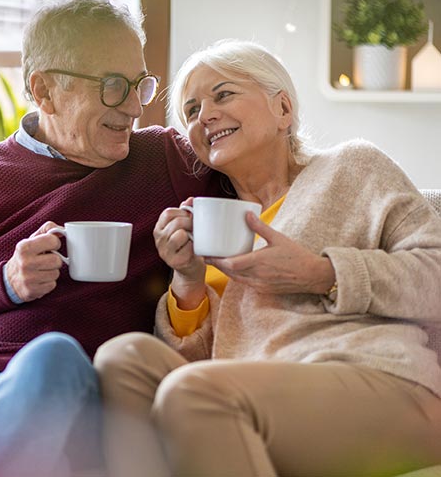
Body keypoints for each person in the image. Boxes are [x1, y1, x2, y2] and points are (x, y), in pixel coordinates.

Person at [0, 0, 226, 477]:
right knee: (49, 367)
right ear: (44, 91)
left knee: (60, 364)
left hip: (97, 396)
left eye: (139, 85)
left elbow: (269, 172)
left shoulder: (165, 161)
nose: (133, 108)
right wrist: (3, 284)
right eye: (112, 85)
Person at [94, 39, 441, 477]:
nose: (205, 115)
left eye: (222, 95)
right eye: (192, 111)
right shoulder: (213, 226)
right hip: (249, 394)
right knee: (122, 357)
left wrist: (324, 274)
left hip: (384, 384)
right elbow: (211, 361)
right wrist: (188, 279)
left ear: (283, 109)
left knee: (196, 393)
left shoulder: (352, 167)